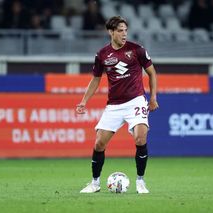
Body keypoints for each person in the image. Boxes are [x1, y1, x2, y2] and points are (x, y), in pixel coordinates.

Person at [77, 16, 159, 194]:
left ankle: (140, 182)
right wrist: (84, 101)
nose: (124, 34)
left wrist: (153, 97)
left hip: (136, 100)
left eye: (125, 30)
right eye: (120, 30)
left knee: (140, 137)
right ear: (111, 32)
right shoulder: (102, 55)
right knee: (99, 144)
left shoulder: (137, 50)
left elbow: (152, 73)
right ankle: (95, 183)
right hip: (114, 105)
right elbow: (95, 81)